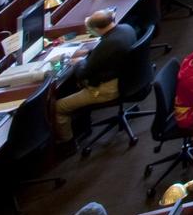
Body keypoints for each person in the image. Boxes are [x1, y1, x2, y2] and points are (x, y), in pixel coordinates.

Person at [54, 11, 138, 143]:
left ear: (97, 29)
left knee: (59, 107)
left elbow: (83, 73)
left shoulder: (107, 44)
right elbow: (109, 52)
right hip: (129, 78)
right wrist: (88, 52)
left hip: (108, 89)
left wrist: (78, 62)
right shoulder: (126, 28)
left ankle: (67, 144)